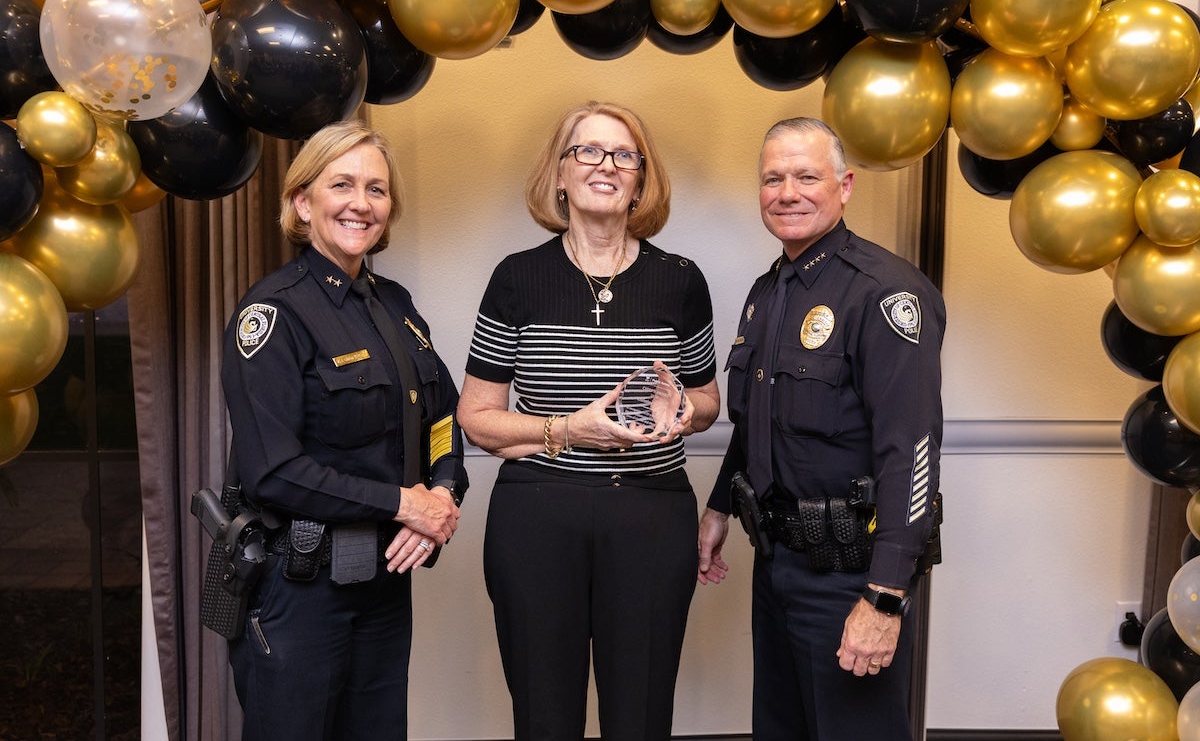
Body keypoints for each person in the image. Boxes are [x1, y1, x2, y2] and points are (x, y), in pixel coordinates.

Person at [457, 101, 721, 741]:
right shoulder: (516, 278)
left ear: (641, 179)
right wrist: (568, 430)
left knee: (642, 716)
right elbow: (476, 418)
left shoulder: (680, 282)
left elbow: (710, 401)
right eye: (588, 151)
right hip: (538, 517)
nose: (606, 165)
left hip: (652, 518)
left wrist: (684, 411)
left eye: (624, 154)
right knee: (546, 718)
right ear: (560, 173)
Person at [696, 117, 945, 740]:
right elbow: (758, 418)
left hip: (851, 578)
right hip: (776, 563)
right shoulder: (769, 291)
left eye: (807, 176)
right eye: (772, 178)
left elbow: (911, 451)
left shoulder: (884, 293)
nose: (788, 192)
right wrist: (721, 506)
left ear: (845, 185)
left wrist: (886, 595)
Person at [220, 119, 468, 741]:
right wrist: (403, 502)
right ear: (302, 203)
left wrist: (442, 494)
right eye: (342, 185)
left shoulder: (396, 305)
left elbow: (441, 416)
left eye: (377, 190)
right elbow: (273, 471)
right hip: (299, 589)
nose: (362, 203)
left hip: (383, 584)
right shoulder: (273, 313)